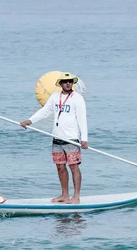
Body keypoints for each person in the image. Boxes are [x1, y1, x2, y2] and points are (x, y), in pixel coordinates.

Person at [20, 72, 88, 204]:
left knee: (73, 166)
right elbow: (45, 111)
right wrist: (30, 121)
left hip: (71, 139)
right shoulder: (55, 97)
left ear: (72, 83)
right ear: (61, 83)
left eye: (70, 81)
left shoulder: (77, 98)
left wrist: (84, 138)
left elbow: (82, 120)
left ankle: (76, 196)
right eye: (65, 81)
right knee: (60, 167)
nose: (67, 83)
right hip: (56, 138)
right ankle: (64, 195)